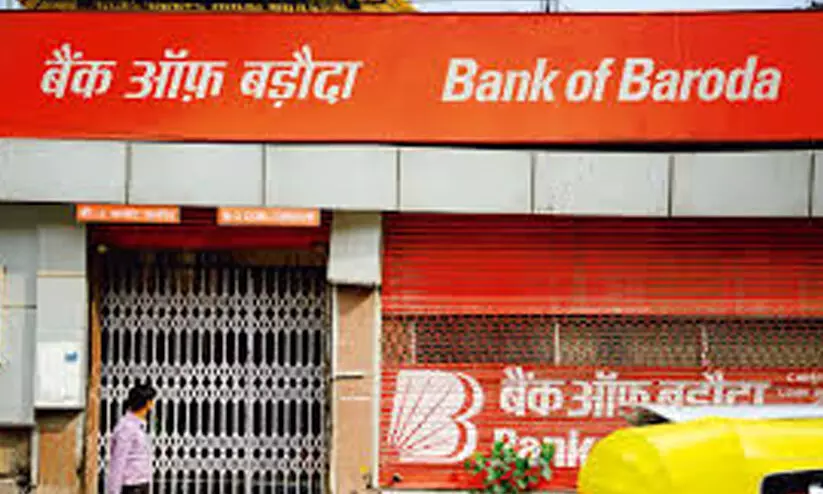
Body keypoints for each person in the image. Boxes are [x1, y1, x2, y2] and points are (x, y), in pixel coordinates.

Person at [107, 382, 157, 494]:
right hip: (132, 487)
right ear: (148, 403)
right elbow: (118, 460)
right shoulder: (127, 427)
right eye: (151, 401)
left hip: (141, 484)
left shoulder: (138, 426)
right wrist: (113, 491)